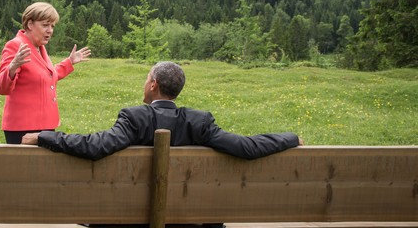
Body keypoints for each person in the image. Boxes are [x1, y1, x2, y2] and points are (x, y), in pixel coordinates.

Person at [22, 61, 302, 160]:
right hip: (189, 215)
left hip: (128, 216)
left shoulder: (134, 118)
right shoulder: (199, 122)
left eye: (146, 78)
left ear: (153, 84)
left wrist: (44, 136)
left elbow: (95, 146)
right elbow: (246, 146)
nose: (144, 83)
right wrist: (290, 138)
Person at [0, 2, 91, 145]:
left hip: (46, 126)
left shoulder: (40, 48)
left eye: (52, 26)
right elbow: (1, 88)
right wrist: (12, 67)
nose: (50, 30)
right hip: (23, 128)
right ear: (30, 24)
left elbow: (46, 76)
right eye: (45, 25)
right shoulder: (15, 45)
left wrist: (69, 62)